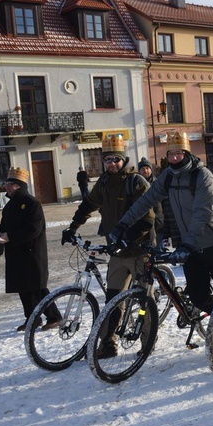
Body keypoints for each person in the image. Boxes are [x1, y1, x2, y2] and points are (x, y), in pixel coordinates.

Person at [111, 131, 213, 355]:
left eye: (179, 153)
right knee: (197, 296)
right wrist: (123, 224)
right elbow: (145, 202)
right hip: (190, 246)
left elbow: (202, 213)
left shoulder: (202, 176)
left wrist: (187, 244)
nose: (175, 158)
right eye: (171, 154)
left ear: (187, 153)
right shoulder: (168, 176)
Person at [61, 136, 154, 357]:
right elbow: (88, 206)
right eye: (107, 160)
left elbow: (148, 218)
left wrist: (127, 238)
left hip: (140, 250)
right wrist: (72, 228)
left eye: (115, 159)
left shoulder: (136, 182)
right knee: (113, 299)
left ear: (123, 160)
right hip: (118, 252)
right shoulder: (103, 183)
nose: (112, 163)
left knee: (143, 299)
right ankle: (108, 344)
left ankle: (147, 340)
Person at [0, 167, 61, 331]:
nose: (7, 187)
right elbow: (5, 226)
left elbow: (34, 229)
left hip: (32, 253)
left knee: (38, 288)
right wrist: (0, 235)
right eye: (7, 183)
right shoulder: (9, 206)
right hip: (16, 253)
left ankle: (54, 317)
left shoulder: (31, 203)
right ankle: (32, 319)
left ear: (19, 185)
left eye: (10, 184)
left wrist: (10, 236)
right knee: (23, 288)